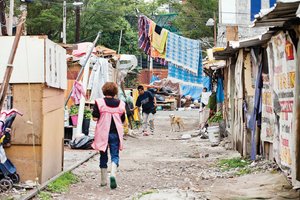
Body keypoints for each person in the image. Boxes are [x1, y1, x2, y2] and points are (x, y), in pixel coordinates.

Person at [91, 82, 126, 189]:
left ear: (104, 91)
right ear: (115, 92)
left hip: (102, 134)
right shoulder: (121, 104)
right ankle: (113, 174)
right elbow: (123, 121)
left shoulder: (99, 102)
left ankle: (103, 181)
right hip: (115, 134)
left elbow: (95, 118)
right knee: (115, 155)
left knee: (103, 156)